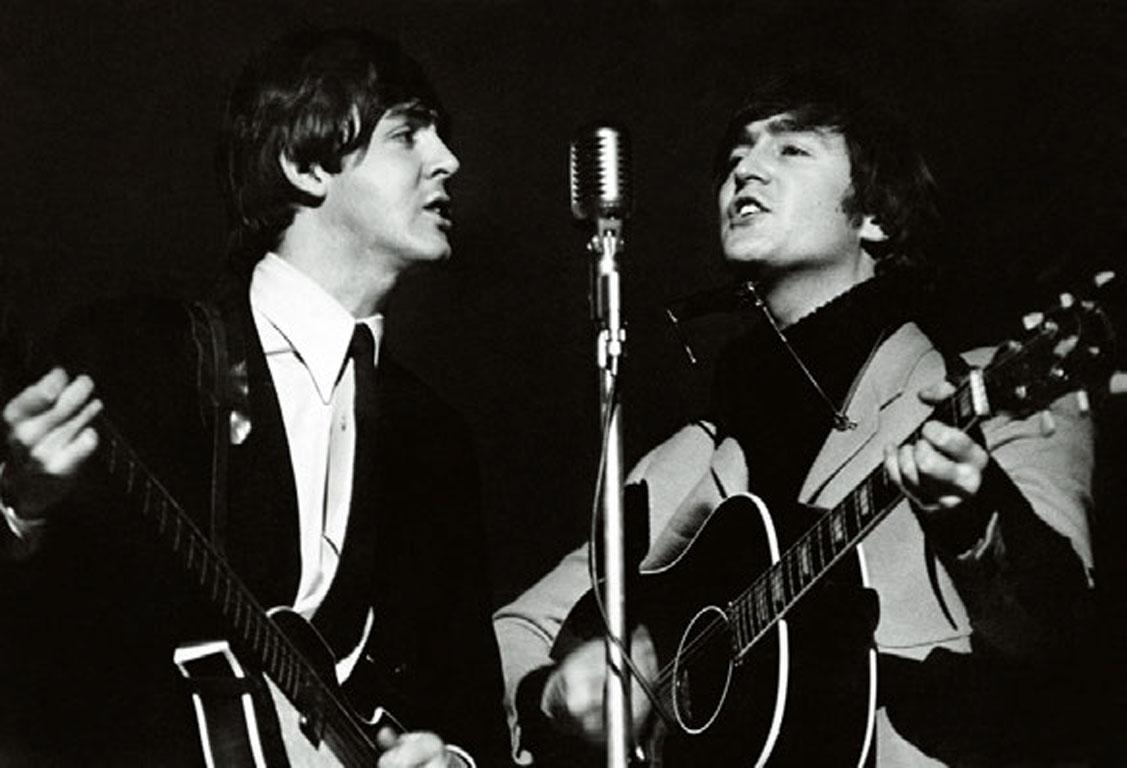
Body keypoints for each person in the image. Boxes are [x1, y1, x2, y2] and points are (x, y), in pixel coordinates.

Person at [494, 70, 1096, 766]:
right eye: (735, 157)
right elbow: (511, 629)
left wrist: (974, 517)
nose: (744, 168)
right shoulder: (688, 457)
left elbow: (1056, 634)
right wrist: (554, 696)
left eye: (790, 150)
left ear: (875, 216)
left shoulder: (983, 396)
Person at [0, 27, 508, 767]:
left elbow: (467, 709)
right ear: (304, 166)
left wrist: (449, 760)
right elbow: (50, 648)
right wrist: (19, 506)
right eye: (407, 134)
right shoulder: (140, 354)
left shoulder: (434, 437)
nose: (448, 160)